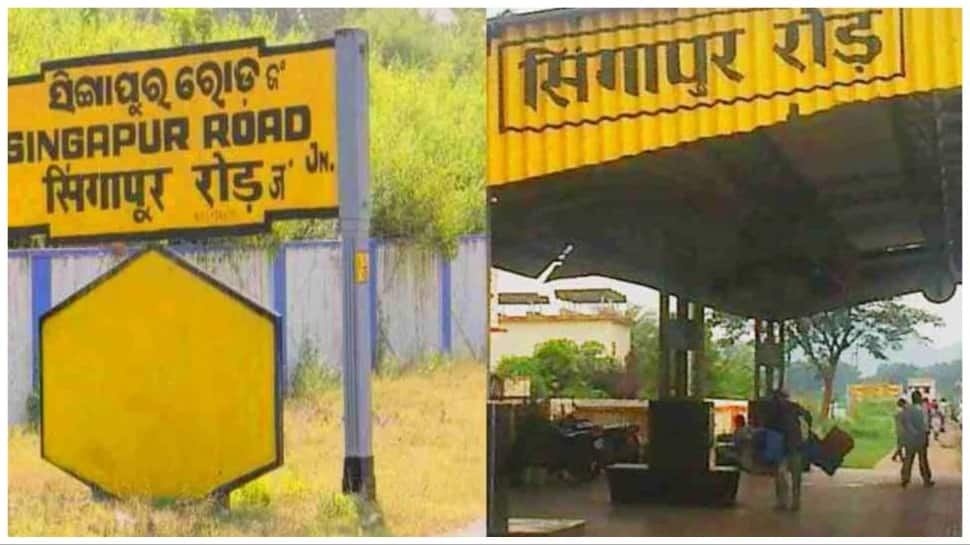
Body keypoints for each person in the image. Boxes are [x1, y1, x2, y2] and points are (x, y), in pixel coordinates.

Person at [763, 389, 813, 511]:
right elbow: (807, 416)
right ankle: (786, 502)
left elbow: (807, 416)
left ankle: (789, 502)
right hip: (788, 446)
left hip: (789, 446)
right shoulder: (781, 410)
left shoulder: (784, 409)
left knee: (788, 475)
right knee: (787, 476)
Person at [899, 390, 934, 487]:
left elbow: (905, 423)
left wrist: (911, 433)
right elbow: (926, 425)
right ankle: (926, 478)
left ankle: (905, 478)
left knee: (908, 459)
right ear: (919, 398)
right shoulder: (924, 409)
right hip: (921, 437)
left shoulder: (907, 410)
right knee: (922, 459)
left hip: (910, 438)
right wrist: (924, 435)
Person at [892, 397, 907, 463]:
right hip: (902, 430)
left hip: (899, 429)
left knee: (900, 444)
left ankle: (900, 457)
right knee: (902, 444)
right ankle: (895, 456)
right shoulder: (901, 411)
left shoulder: (897, 411)